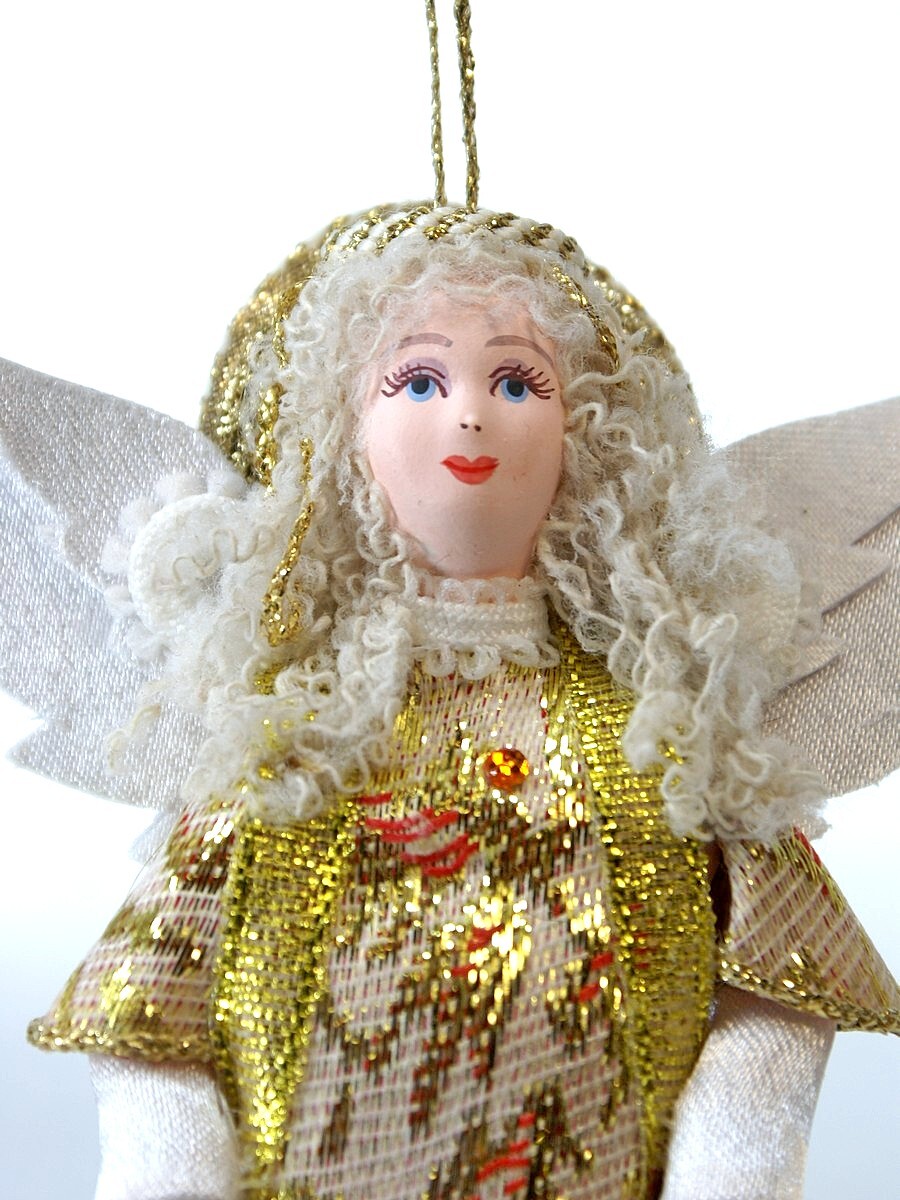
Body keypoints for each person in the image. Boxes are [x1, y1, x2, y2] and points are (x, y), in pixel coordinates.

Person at [26, 204, 898, 1199]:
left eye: (518, 382)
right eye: (419, 381)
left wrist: (737, 1151)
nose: (471, 415)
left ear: (592, 435)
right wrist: (168, 1161)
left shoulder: (662, 732)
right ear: (340, 436)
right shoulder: (296, 736)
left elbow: (782, 983)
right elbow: (149, 1005)